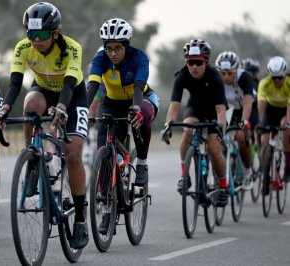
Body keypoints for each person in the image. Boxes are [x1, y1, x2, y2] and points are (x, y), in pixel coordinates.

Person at [0, 2, 89, 249]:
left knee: (74, 155)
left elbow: (69, 84)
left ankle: (80, 219)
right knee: (31, 102)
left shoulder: (71, 48)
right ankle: (33, 157)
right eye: (31, 34)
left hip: (72, 95)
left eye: (42, 35)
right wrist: (4, 108)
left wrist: (61, 108)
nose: (35, 40)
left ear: (55, 33)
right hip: (43, 90)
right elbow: (15, 84)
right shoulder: (24, 48)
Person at [87, 18, 159, 232]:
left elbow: (138, 89)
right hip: (112, 103)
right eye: (109, 48)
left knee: (141, 117)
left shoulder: (139, 58)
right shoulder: (100, 59)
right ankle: (107, 208)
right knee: (103, 150)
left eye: (118, 48)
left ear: (126, 46)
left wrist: (136, 109)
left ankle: (142, 163)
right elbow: (92, 87)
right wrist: (83, 110)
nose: (113, 53)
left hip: (141, 100)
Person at [161, 39, 229, 207]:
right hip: (195, 109)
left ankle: (223, 186)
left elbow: (221, 111)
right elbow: (174, 107)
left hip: (214, 112)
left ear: (206, 62)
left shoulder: (215, 76)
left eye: (198, 62)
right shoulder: (182, 76)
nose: (194, 67)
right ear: (186, 62)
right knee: (187, 129)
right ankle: (185, 177)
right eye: (191, 62)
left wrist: (222, 131)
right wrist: (167, 126)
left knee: (214, 149)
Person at [215, 51, 256, 190]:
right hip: (228, 109)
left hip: (246, 108)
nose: (226, 77)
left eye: (230, 73)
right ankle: (220, 174)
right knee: (218, 137)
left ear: (236, 70)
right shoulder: (215, 78)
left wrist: (244, 122)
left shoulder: (243, 77)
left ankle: (248, 171)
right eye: (223, 73)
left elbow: (248, 102)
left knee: (240, 135)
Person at [258, 56, 290, 184]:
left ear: (284, 75)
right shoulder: (264, 83)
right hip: (270, 111)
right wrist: (258, 122)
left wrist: (288, 123)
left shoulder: (288, 83)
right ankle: (265, 173)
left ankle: (288, 166)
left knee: (285, 125)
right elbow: (261, 104)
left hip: (285, 111)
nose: (276, 80)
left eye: (279, 77)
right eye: (273, 77)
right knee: (264, 140)